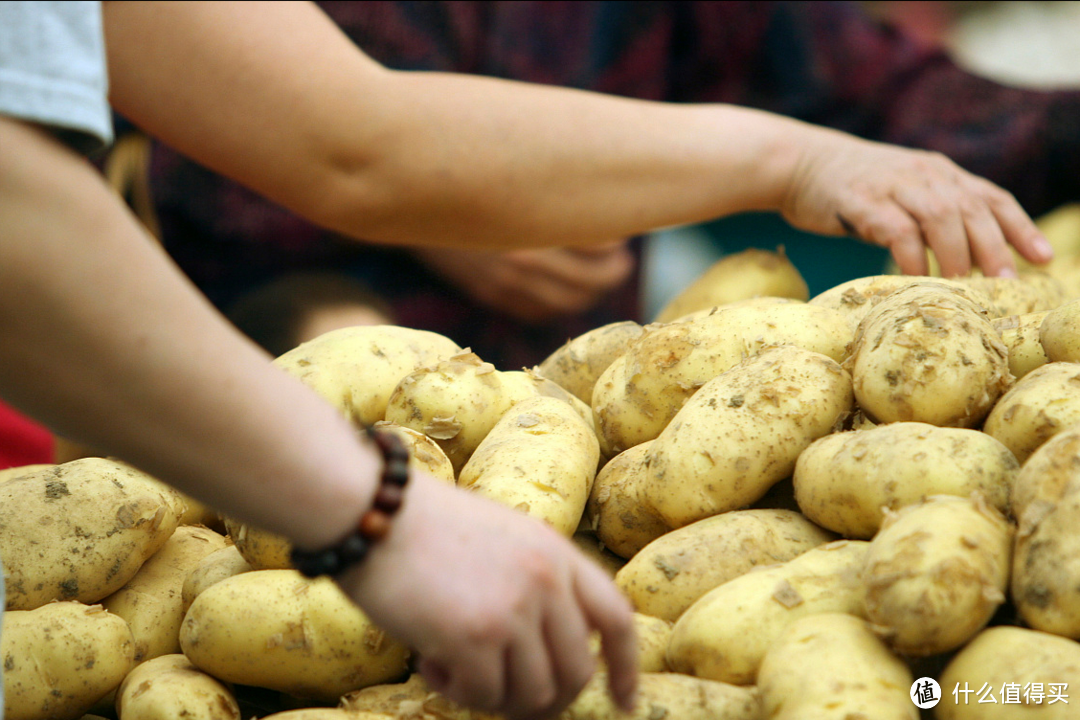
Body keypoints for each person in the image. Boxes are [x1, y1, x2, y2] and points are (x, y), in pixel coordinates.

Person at [0, 1, 1051, 717]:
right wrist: (370, 511)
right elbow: (26, 212)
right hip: (253, 446)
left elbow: (351, 135)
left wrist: (795, 158)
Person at [141, 0, 1080, 366]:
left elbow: (883, 89)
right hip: (274, 427)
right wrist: (432, 214)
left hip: (595, 434)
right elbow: (324, 145)